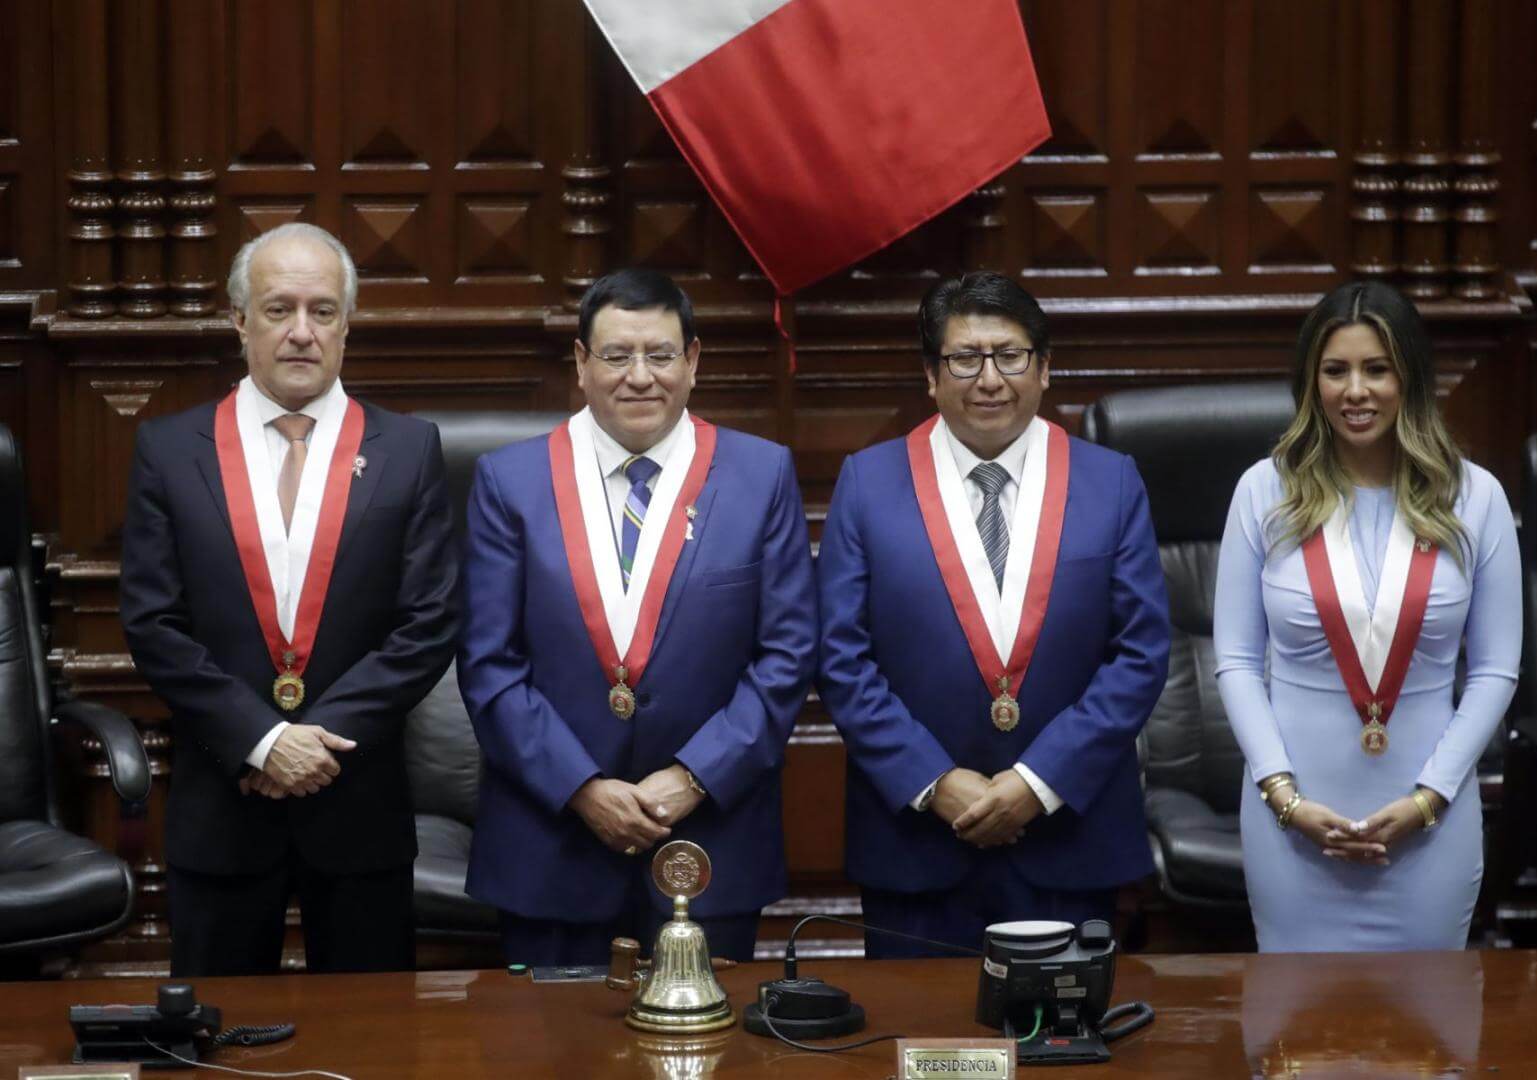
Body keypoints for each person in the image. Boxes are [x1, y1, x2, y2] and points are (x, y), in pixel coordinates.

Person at [120, 222, 459, 975]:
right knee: (217, 1037)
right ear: (239, 319)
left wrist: (315, 741)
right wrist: (266, 741)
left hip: (358, 808)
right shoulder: (170, 451)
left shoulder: (409, 450)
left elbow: (429, 623)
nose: (302, 332)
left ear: (347, 323)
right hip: (224, 808)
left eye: (323, 311)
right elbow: (154, 624)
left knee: (373, 1046)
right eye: (279, 309)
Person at [458, 267, 815, 965]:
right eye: (618, 356)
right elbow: (489, 664)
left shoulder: (760, 474)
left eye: (660, 354)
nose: (640, 377)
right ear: (583, 364)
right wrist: (582, 789)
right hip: (552, 844)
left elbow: (786, 658)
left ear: (693, 360)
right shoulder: (511, 481)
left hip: (709, 839)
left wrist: (690, 779)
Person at [817, 271, 1170, 958]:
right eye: (965, 358)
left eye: (1010, 356)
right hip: (918, 843)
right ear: (931, 374)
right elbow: (840, 657)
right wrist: (936, 782)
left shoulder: (1110, 480)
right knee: (924, 1053)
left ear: (1043, 369)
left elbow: (1140, 652)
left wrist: (1038, 783)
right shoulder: (867, 481)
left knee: (1065, 1054)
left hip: (1069, 837)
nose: (989, 379)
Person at [1213, 280, 1521, 951]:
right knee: (1297, 1042)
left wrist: (1427, 800)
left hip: (1429, 826)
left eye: (1376, 369)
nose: (1356, 391)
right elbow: (1235, 661)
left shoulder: (1476, 498)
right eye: (1336, 371)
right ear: (1310, 382)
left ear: (1409, 377)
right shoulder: (1264, 492)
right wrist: (1285, 800)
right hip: (1291, 827)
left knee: (1429, 1043)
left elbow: (1497, 670)